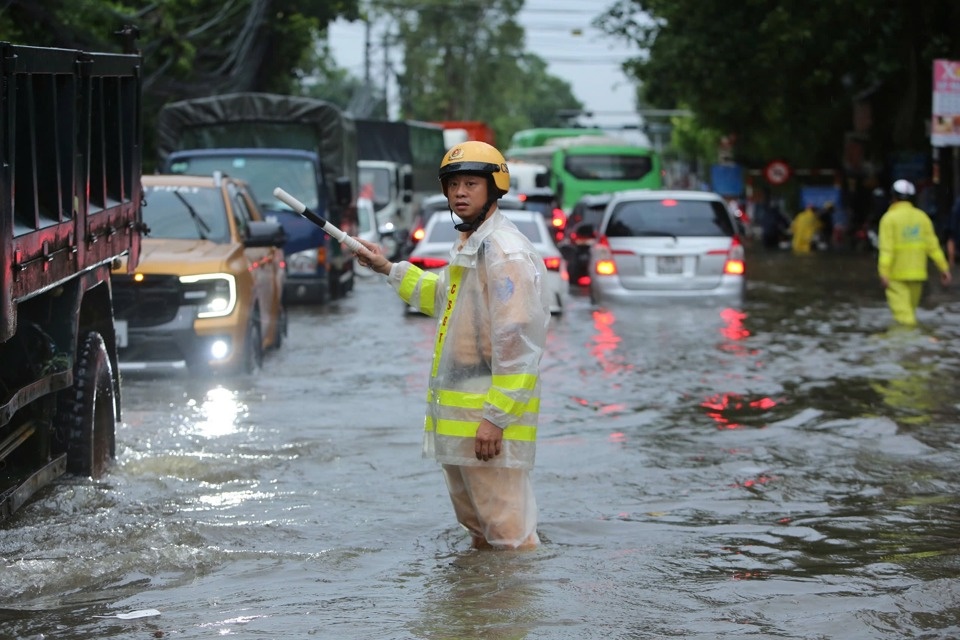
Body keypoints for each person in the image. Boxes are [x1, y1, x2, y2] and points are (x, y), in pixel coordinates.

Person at [353, 141, 551, 550]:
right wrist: (388, 268)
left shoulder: (504, 252)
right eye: (454, 184)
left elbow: (517, 341)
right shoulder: (472, 244)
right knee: (479, 529)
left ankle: (512, 613)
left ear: (495, 187)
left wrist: (496, 418)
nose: (460, 192)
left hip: (486, 420)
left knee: (509, 535)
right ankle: (478, 609)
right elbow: (445, 298)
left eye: (471, 184)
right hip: (462, 418)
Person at [876, 179, 952, 326]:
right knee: (910, 314)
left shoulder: (888, 219)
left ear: (893, 197)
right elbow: (933, 247)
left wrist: (883, 272)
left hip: (896, 278)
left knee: (905, 321)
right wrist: (944, 268)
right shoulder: (922, 217)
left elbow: (887, 250)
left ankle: (909, 346)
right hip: (917, 276)